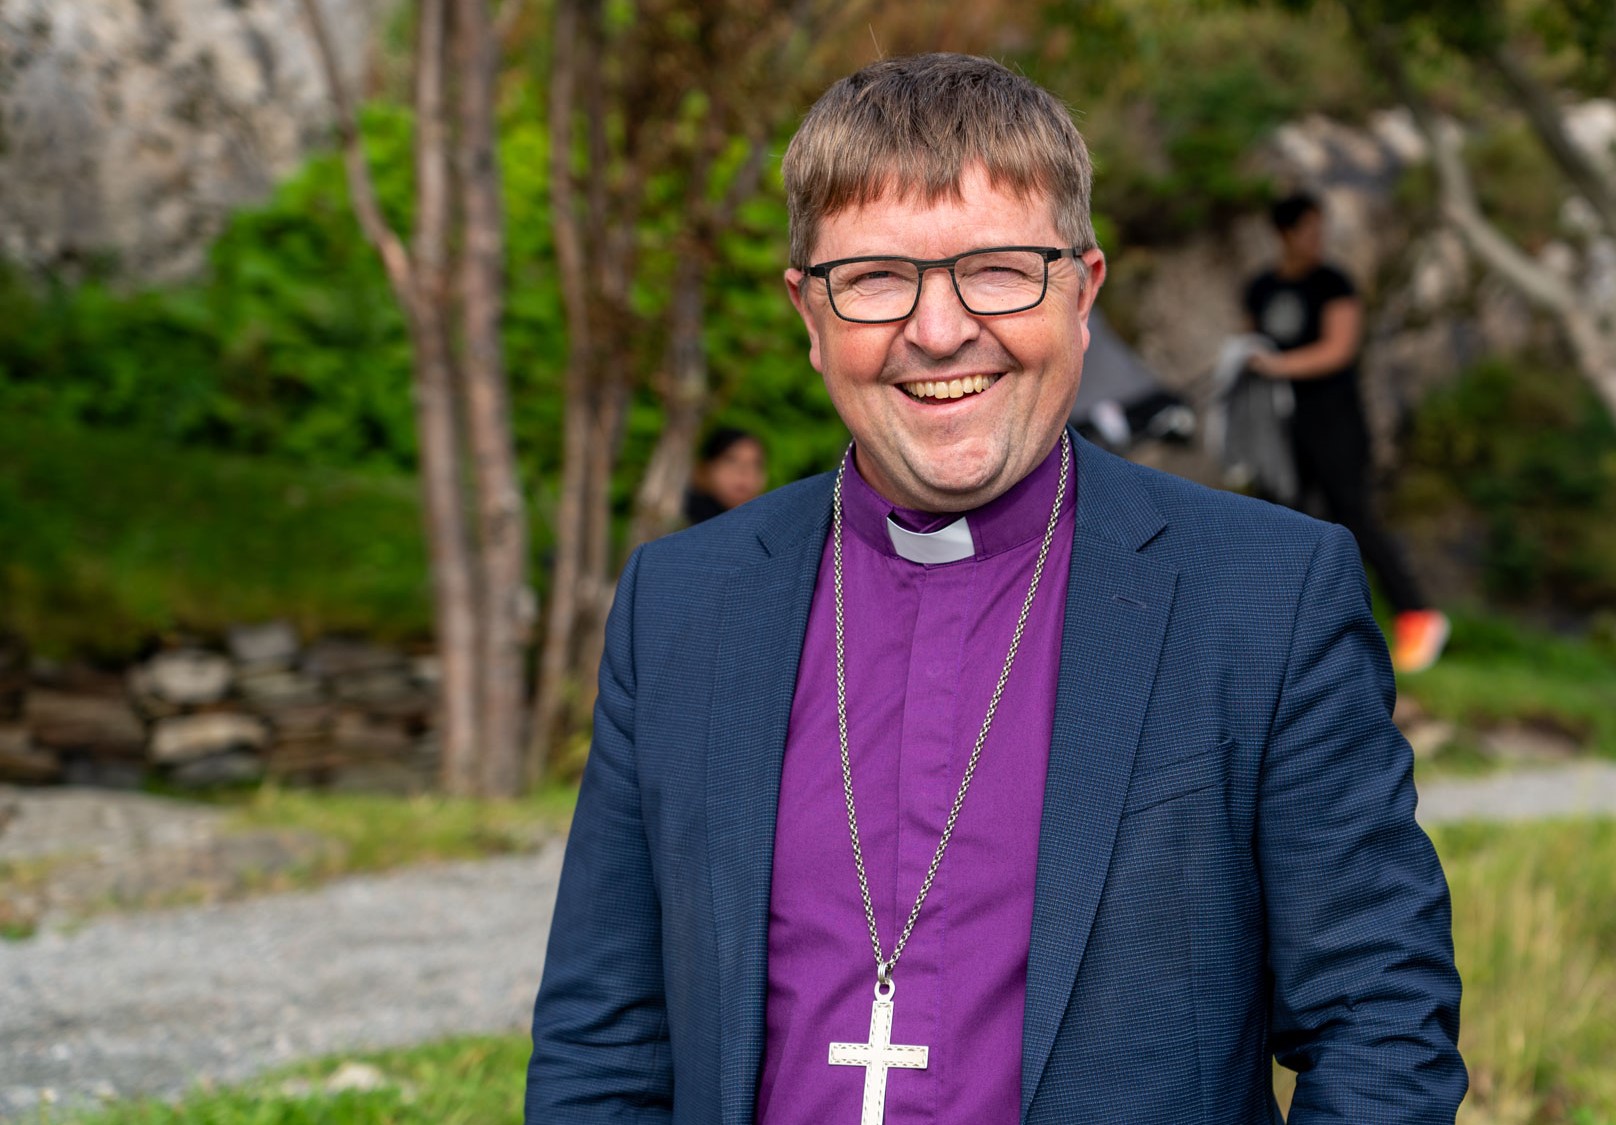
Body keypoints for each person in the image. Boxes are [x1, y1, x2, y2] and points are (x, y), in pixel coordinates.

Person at [526, 54, 1464, 1125]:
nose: (938, 331)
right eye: (874, 277)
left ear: (1081, 291)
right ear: (806, 312)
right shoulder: (681, 602)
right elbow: (604, 1042)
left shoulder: (1264, 597)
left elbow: (1378, 1025)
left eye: (999, 269)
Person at [1244, 193, 1451, 674]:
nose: (1319, 239)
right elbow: (1253, 342)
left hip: (1335, 423)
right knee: (1279, 522)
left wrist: (1275, 366)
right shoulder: (1261, 287)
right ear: (1285, 233)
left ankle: (1417, 616)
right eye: (1310, 229)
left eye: (1322, 228)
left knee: (1353, 516)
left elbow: (1338, 349)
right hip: (1281, 427)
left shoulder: (1333, 284)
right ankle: (1285, 634)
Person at [685, 427, 769, 525]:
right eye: (731, 460)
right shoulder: (681, 518)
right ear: (703, 468)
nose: (745, 472)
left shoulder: (759, 523)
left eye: (756, 464)